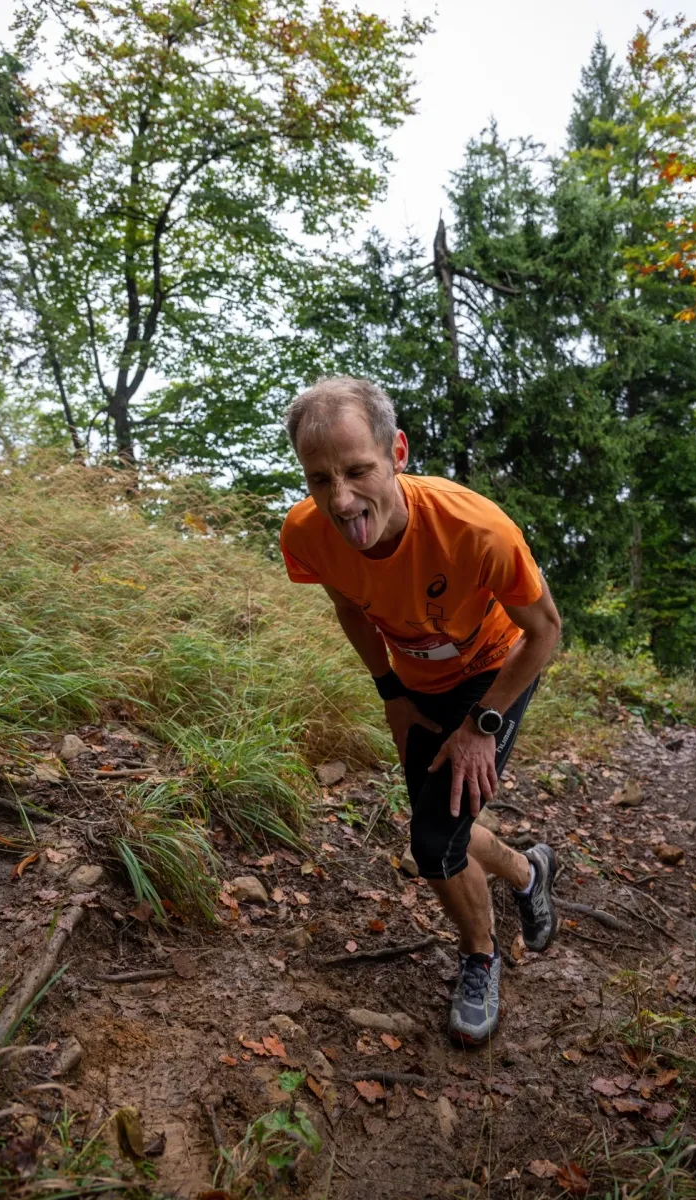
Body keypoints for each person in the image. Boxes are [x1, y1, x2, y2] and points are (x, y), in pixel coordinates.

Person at [279, 376, 561, 1046]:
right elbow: (350, 605)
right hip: (417, 686)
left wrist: (480, 728)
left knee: (434, 844)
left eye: (357, 471)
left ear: (396, 451)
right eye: (319, 480)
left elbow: (545, 631)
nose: (341, 501)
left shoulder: (475, 529)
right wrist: (391, 693)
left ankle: (480, 957)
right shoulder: (307, 535)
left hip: (495, 671)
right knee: (446, 827)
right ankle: (528, 872)